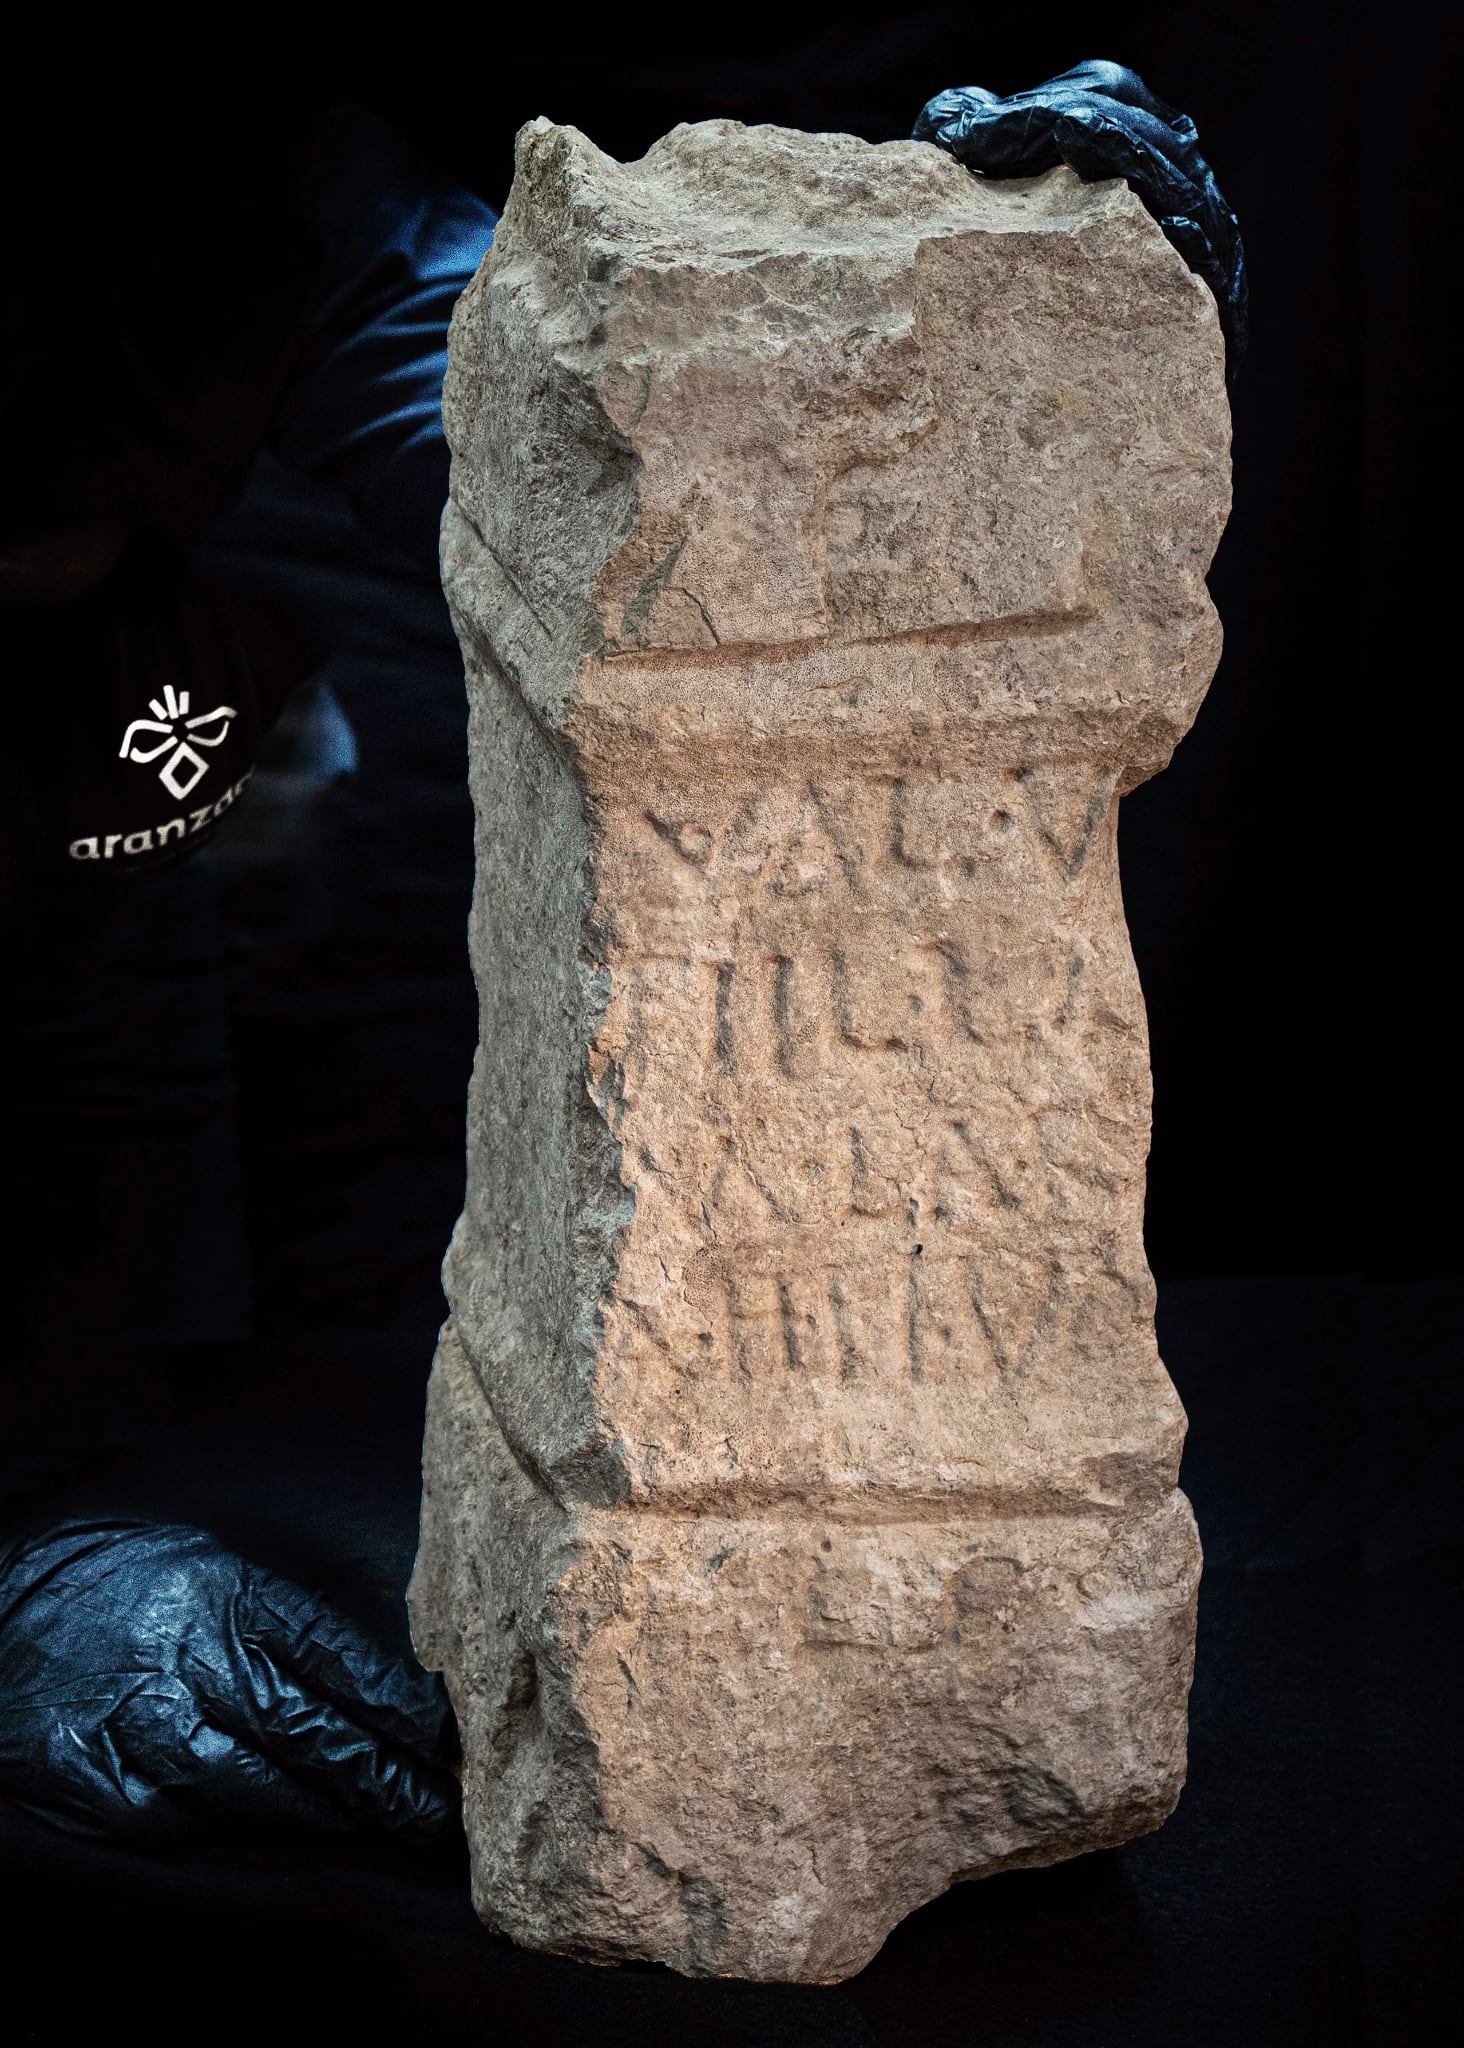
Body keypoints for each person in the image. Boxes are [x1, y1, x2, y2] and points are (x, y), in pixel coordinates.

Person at [0, 67, 1242, 1842]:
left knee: (152, 1410)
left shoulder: (231, 181)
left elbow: (601, 423)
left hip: (90, 870)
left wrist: (995, 353)